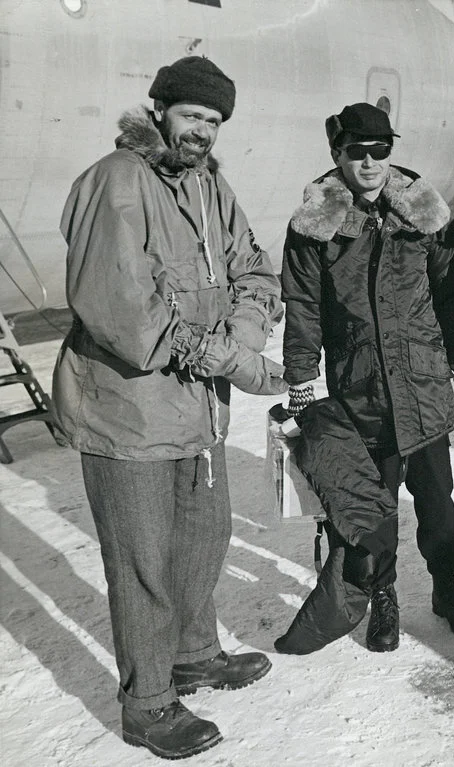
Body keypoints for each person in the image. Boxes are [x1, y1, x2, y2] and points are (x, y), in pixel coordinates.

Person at [51, 56, 286, 760]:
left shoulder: (211, 185)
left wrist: (236, 344)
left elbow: (253, 269)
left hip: (197, 407)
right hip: (130, 411)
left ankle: (192, 654)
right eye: (192, 116)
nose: (203, 132)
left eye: (214, 122)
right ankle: (149, 702)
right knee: (144, 560)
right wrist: (203, 350)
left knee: (200, 541)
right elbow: (118, 300)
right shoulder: (117, 181)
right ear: (159, 110)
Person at [281, 103, 454, 653]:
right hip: (361, 387)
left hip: (423, 381)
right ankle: (384, 595)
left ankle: (446, 586)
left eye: (381, 150)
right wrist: (302, 377)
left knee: (438, 502)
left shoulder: (423, 214)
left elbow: (451, 293)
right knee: (373, 507)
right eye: (357, 152)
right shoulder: (314, 226)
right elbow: (301, 305)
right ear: (337, 154)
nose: (370, 162)